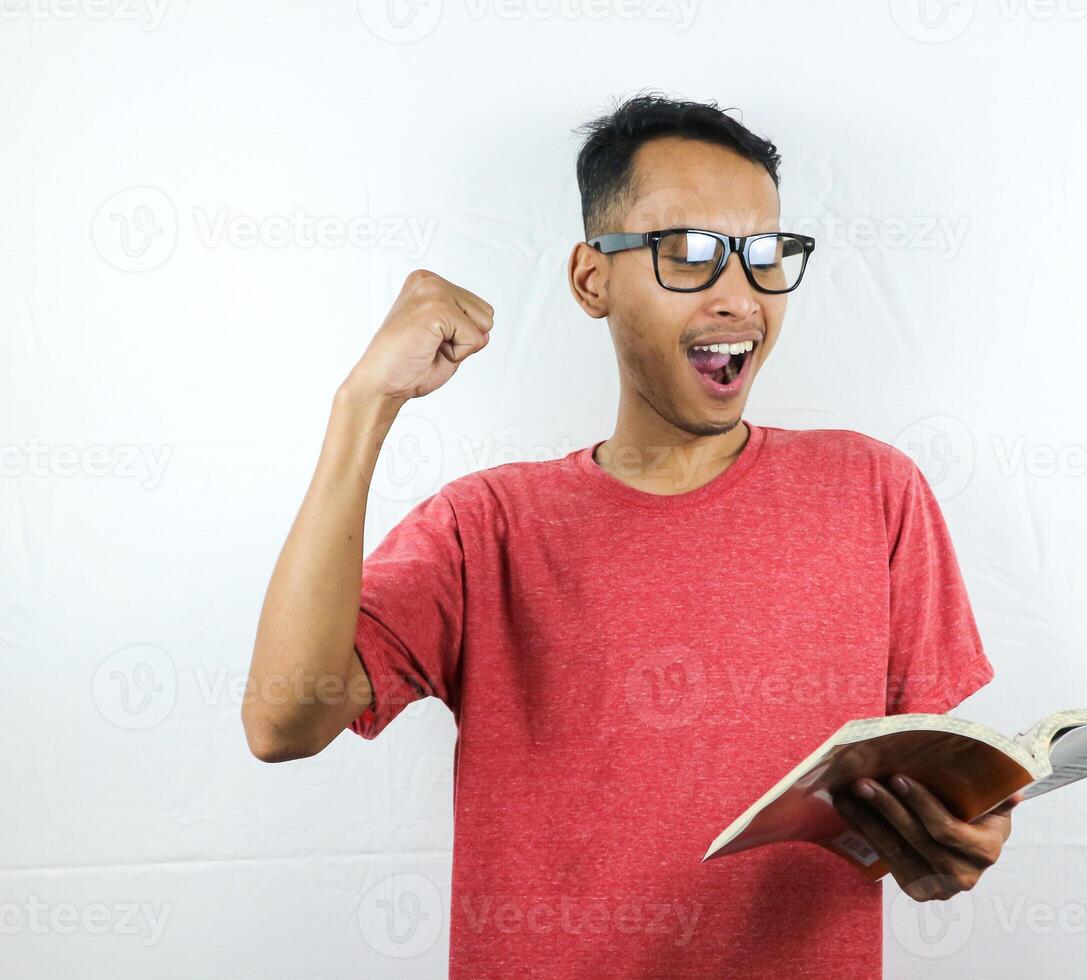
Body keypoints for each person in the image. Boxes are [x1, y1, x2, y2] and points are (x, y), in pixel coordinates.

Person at [241, 91, 1022, 979]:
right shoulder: (483, 528)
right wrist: (363, 405)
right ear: (591, 279)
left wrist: (947, 843)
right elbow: (283, 721)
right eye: (688, 254)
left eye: (764, 254)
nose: (738, 295)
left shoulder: (873, 492)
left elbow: (919, 795)